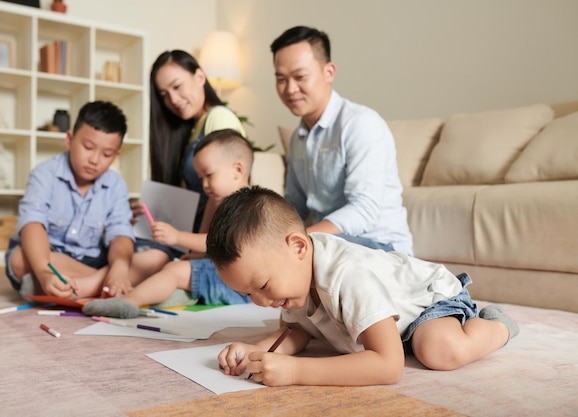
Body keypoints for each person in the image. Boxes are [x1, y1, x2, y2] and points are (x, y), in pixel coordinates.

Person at [210, 186, 519, 387]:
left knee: (438, 351)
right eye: (248, 294)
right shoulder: (292, 286)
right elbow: (296, 332)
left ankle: (497, 325)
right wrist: (256, 350)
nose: (260, 302)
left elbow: (389, 365)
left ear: (299, 247)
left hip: (430, 299)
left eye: (262, 285)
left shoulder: (346, 274)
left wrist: (295, 371)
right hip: (393, 324)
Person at [271, 26, 413, 255]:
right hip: (329, 245)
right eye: (281, 79)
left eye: (300, 77)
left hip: (381, 247)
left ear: (329, 72)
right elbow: (293, 205)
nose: (290, 89)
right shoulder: (299, 139)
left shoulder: (361, 124)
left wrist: (300, 240)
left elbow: (363, 211)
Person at [82, 129, 253, 318]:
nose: (204, 184)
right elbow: (206, 239)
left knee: (174, 271)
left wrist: (177, 237)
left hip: (236, 282)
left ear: (238, 170)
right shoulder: (215, 200)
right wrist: (196, 256)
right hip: (217, 271)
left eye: (209, 175)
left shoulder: (249, 204)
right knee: (171, 268)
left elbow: (219, 242)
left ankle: (129, 302)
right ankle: (168, 296)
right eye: (200, 177)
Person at [5, 101, 151, 298]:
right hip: (51, 257)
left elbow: (120, 233)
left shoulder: (116, 184)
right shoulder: (44, 174)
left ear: (116, 155)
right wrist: (44, 271)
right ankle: (108, 284)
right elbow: (32, 223)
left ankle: (72, 288)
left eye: (107, 154)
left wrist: (118, 267)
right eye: (88, 147)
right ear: (69, 139)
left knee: (156, 257)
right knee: (20, 260)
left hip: (94, 259)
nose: (95, 160)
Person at [130, 50, 247, 273]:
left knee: (148, 257)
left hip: (206, 238)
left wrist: (198, 246)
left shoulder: (219, 118)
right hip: (190, 234)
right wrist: (151, 211)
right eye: (164, 95)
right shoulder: (192, 128)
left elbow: (221, 193)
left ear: (200, 77)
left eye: (177, 86)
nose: (172, 100)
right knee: (127, 245)